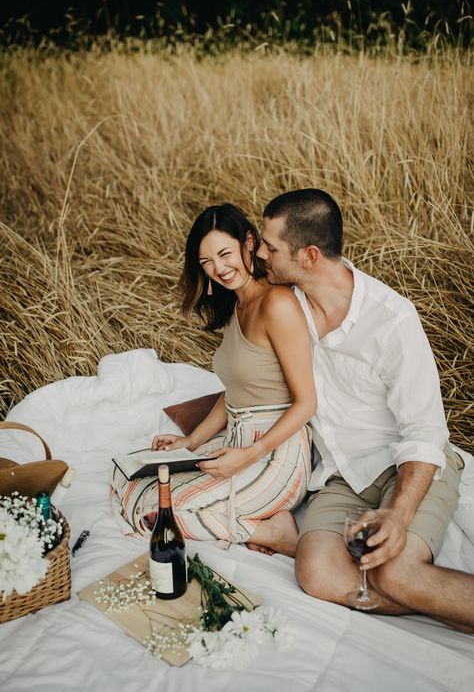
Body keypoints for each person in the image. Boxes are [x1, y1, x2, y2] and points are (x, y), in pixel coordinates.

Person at [256, 187, 474, 632]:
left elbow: (424, 431)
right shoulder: (286, 305)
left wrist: (398, 513)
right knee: (317, 575)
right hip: (340, 477)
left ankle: (418, 589)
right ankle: (444, 606)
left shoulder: (392, 319)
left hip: (405, 468)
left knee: (396, 572)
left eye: (270, 246)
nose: (259, 253)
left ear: (309, 255)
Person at [110, 203, 316, 555]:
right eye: (207, 262)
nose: (219, 269)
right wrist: (189, 442)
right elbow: (235, 392)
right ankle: (252, 525)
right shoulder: (237, 306)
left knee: (153, 516)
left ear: (248, 242)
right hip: (235, 440)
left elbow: (307, 403)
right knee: (124, 480)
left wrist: (250, 454)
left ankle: (276, 534)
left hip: (275, 453)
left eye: (224, 254)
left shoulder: (276, 304)